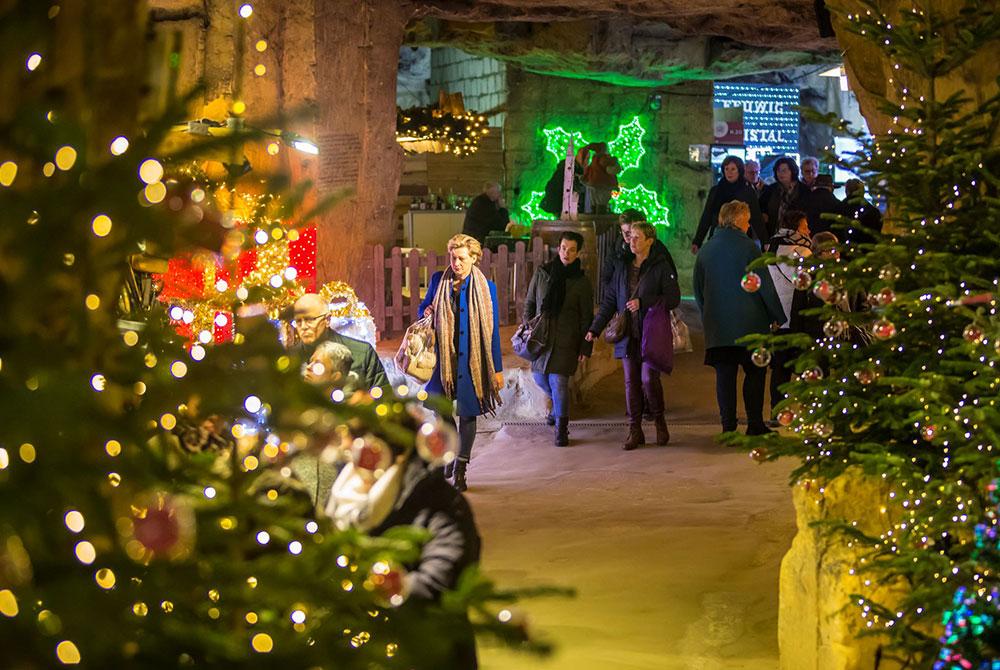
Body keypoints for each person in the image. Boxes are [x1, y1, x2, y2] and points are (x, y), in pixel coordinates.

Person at [323, 429, 481, 668]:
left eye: (365, 456)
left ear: (395, 456)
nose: (354, 466)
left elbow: (440, 581)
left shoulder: (439, 502)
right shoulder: (344, 498)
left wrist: (366, 593)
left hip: (426, 651)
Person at [418, 234, 503, 491]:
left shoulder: (486, 287)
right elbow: (423, 306)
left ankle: (461, 469)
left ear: (474, 258)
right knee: (441, 411)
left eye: (462, 258)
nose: (456, 263)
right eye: (453, 258)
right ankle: (450, 454)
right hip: (443, 359)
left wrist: (497, 369)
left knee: (468, 413)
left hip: (471, 360)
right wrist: (427, 310)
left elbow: (492, 332)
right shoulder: (438, 280)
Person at [694, 200, 786, 435]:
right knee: (754, 374)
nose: (748, 226)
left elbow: (698, 289)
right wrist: (777, 314)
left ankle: (728, 425)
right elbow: (764, 284)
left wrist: (709, 313)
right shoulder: (749, 248)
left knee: (725, 376)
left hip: (719, 326)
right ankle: (754, 423)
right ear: (738, 221)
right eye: (746, 221)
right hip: (750, 323)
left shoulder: (706, 249)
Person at [588, 222, 681, 450]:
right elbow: (611, 300)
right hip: (628, 333)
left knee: (649, 379)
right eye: (630, 237)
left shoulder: (660, 266)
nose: (632, 241)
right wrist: (594, 329)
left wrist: (644, 303)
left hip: (651, 332)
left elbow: (674, 298)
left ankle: (659, 422)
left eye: (638, 237)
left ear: (650, 241)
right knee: (631, 383)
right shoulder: (622, 266)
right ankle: (634, 429)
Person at [522, 231, 594, 446]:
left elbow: (586, 316)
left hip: (567, 340)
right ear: (558, 248)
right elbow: (530, 302)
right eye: (563, 248)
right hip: (542, 338)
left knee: (559, 382)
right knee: (540, 378)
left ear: (578, 252)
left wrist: (585, 346)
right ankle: (556, 406)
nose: (566, 253)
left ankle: (561, 430)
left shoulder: (581, 281)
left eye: (572, 250)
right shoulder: (543, 273)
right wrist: (528, 325)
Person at [764, 209, 813, 414]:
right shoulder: (804, 253)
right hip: (798, 316)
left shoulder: (770, 248)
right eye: (804, 227)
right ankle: (807, 410)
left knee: (780, 368)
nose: (809, 231)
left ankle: (778, 410)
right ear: (795, 229)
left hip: (777, 317)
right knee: (804, 365)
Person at [292, 293, 389, 391]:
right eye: (298, 321)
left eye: (310, 320)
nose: (303, 327)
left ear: (327, 320)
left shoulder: (362, 353)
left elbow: (384, 398)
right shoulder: (289, 360)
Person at [691, 155, 767, 253]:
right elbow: (707, 216)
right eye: (726, 169)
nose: (729, 172)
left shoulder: (747, 192)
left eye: (733, 169)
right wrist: (697, 241)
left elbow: (756, 218)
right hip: (717, 238)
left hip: (740, 239)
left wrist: (765, 241)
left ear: (739, 170)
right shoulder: (716, 191)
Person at [759, 156, 809, 239]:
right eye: (778, 170)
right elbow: (761, 206)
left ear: (792, 171)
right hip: (774, 234)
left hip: (797, 236)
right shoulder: (771, 189)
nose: (781, 174)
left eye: (784, 171)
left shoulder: (804, 191)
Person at [840, 178, 883, 250]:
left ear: (847, 191)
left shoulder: (839, 208)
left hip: (844, 250)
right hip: (867, 250)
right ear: (862, 192)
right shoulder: (872, 211)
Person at [579, 142, 620, 214]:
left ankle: (595, 212)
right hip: (603, 183)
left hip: (593, 182)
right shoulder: (603, 158)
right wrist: (614, 160)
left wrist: (585, 177)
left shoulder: (594, 160)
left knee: (595, 200)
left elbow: (589, 169)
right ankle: (600, 215)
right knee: (602, 201)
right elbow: (605, 164)